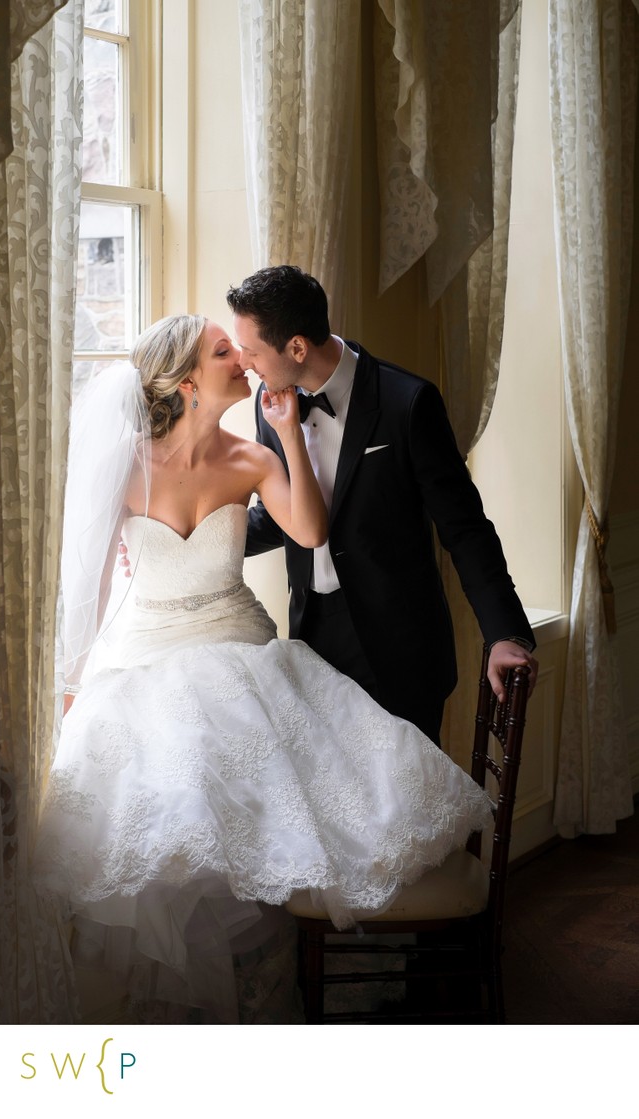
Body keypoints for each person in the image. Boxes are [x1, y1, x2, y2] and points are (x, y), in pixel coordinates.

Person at [33, 314, 494, 1024]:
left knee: (273, 825)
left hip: (245, 654)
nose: (244, 361)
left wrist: (285, 439)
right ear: (187, 382)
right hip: (150, 661)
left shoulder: (251, 456)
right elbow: (92, 592)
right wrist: (69, 689)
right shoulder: (123, 463)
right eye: (225, 353)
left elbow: (308, 531)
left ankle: (268, 1001)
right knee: (175, 811)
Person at [227, 265, 538, 747]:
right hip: (312, 640)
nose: (244, 362)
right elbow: (280, 517)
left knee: (411, 813)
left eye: (251, 350)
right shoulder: (271, 403)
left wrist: (505, 634)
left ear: (297, 348)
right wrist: (194, 541)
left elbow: (465, 528)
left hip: (401, 648)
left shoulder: (407, 402)